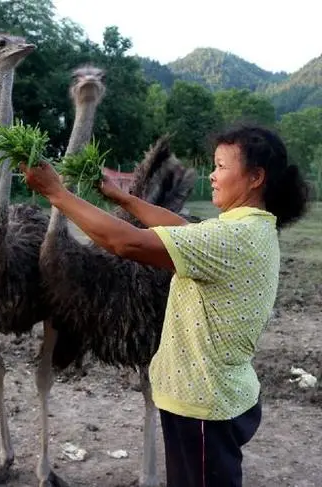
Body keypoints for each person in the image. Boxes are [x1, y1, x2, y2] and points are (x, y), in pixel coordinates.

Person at [19, 124, 310, 487]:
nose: (212, 175)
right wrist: (123, 199)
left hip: (204, 406)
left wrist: (57, 194)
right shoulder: (250, 229)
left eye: (221, 166)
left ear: (255, 177)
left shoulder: (232, 238)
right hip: (216, 397)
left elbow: (126, 244)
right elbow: (181, 226)